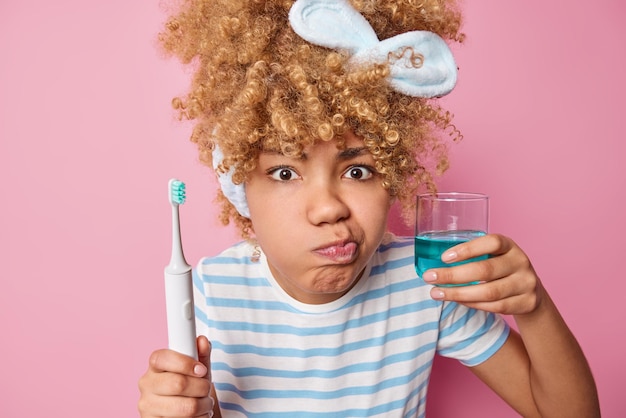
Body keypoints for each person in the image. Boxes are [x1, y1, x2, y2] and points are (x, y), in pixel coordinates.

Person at [138, 0, 600, 417]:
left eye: (357, 171)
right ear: (240, 190)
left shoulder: (423, 283)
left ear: (392, 173)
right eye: (284, 173)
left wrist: (534, 307)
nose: (328, 209)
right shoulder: (213, 292)